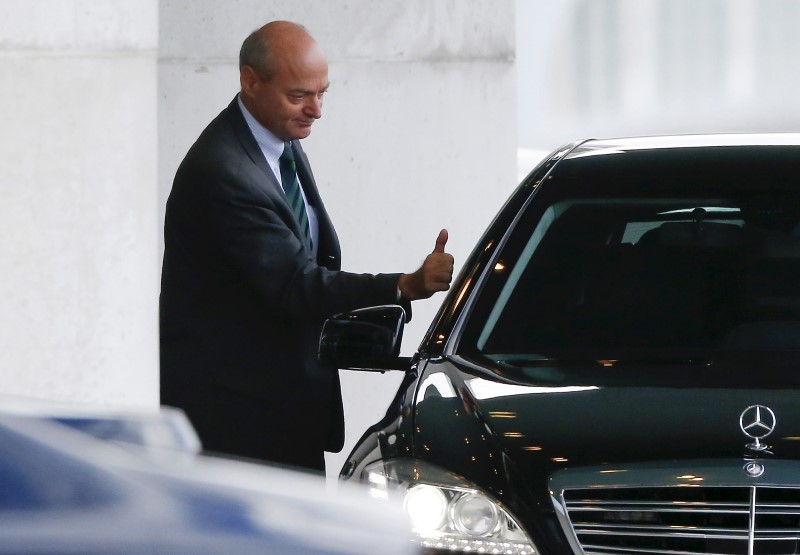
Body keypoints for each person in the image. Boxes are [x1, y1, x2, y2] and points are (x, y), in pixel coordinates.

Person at [159, 20, 454, 473]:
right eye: (299, 96)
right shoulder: (224, 172)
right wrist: (403, 286)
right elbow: (296, 285)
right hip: (237, 423)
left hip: (279, 405)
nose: (316, 110)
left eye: (322, 94)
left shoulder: (278, 143)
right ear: (250, 81)